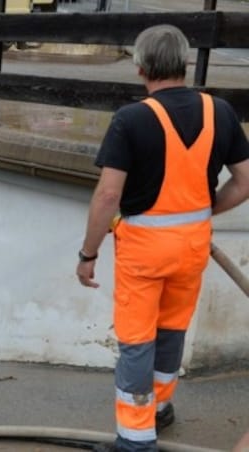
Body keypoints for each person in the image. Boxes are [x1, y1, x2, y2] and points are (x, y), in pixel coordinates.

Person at [75, 25, 249, 452]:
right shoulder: (219, 111)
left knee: (137, 343)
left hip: (144, 253)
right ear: (185, 63)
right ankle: (160, 408)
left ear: (140, 68)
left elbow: (108, 196)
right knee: (171, 333)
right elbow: (244, 182)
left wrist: (88, 253)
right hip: (192, 248)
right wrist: (202, 213)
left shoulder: (132, 119)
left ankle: (136, 440)